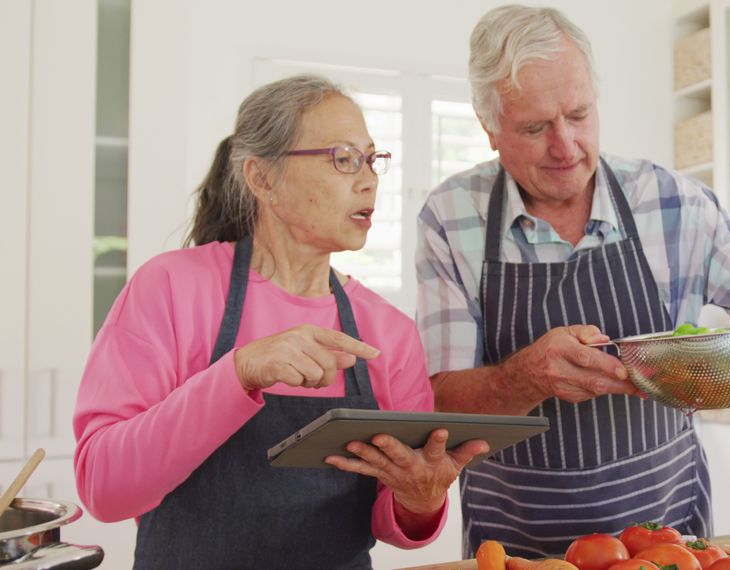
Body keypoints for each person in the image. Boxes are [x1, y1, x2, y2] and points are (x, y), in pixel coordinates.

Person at [415, 5, 730, 559]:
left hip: (668, 541)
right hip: (517, 546)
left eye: (579, 114)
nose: (566, 146)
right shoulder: (450, 217)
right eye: (535, 128)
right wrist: (525, 376)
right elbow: (439, 404)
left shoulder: (672, 202)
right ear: (489, 127)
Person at [73, 75, 488, 569]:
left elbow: (389, 517)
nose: (369, 180)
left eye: (372, 159)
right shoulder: (169, 289)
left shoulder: (388, 333)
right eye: (343, 158)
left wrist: (420, 501)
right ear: (262, 178)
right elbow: (104, 488)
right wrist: (238, 372)